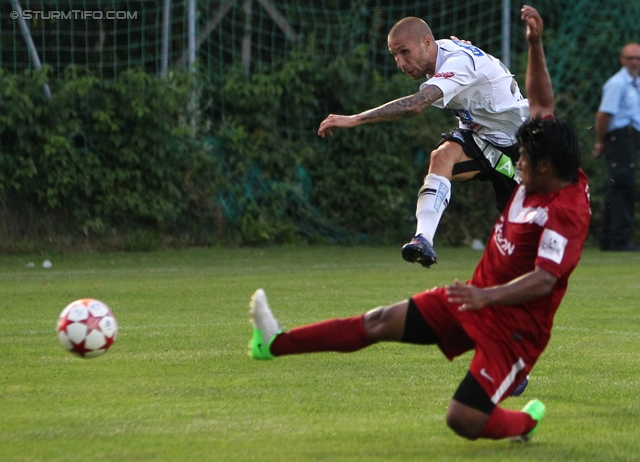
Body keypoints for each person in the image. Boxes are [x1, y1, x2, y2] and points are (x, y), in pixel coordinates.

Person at [247, 6, 591, 442]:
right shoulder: (536, 164)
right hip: (471, 296)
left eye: (522, 161)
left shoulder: (565, 209)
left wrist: (486, 296)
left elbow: (544, 279)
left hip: (511, 327)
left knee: (462, 419)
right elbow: (541, 104)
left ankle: (524, 418)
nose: (516, 165)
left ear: (542, 168)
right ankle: (275, 342)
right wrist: (535, 43)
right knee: (377, 322)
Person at [318, 7, 532, 268]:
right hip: (481, 138)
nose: (400, 62)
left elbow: (415, 105)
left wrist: (355, 119)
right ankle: (423, 239)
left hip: (519, 144)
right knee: (441, 156)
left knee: (531, 236)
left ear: (426, 43)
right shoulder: (441, 53)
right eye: (395, 55)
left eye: (404, 52)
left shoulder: (458, 62)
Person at [592, 43, 640, 251]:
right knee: (622, 185)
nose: (634, 62)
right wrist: (602, 140)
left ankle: (610, 239)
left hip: (632, 138)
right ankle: (618, 239)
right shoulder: (617, 84)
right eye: (630, 58)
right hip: (619, 137)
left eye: (638, 58)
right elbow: (604, 115)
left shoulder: (636, 83)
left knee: (620, 185)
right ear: (622, 60)